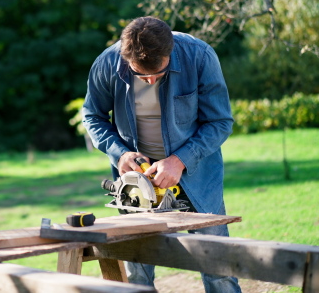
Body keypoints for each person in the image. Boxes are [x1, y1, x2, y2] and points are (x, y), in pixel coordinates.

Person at [82, 16, 241, 292]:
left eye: (159, 73)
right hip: (136, 184)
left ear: (171, 51)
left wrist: (179, 161)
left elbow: (220, 122)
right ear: (126, 57)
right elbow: (92, 116)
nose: (151, 80)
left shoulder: (199, 56)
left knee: (219, 270)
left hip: (197, 176)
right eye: (141, 75)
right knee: (137, 273)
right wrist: (119, 154)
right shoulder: (107, 63)